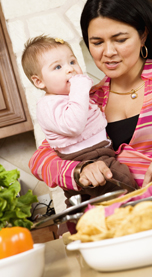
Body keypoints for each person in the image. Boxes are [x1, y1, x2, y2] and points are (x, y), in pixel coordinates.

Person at [28, 0, 152, 205]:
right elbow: (40, 161)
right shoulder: (89, 99)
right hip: (114, 225)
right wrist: (80, 170)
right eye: (97, 42)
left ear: (143, 36)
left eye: (120, 40)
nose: (109, 52)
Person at [21, 35, 137, 207]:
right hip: (84, 158)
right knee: (123, 180)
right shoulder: (48, 105)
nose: (70, 69)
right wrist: (80, 89)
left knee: (95, 202)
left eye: (72, 62)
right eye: (58, 67)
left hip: (100, 153)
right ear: (39, 81)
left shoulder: (76, 97)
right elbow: (73, 126)